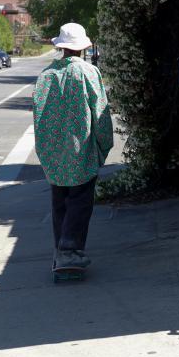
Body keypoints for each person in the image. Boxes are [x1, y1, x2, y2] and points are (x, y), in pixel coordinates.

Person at [33, 23, 113, 270]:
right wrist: (104, 146)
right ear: (82, 48)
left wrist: (43, 150)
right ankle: (70, 248)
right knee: (80, 200)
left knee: (60, 202)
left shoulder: (46, 76)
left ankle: (61, 249)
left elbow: (38, 115)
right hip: (82, 148)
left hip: (53, 152)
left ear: (61, 48)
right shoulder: (88, 73)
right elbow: (100, 112)